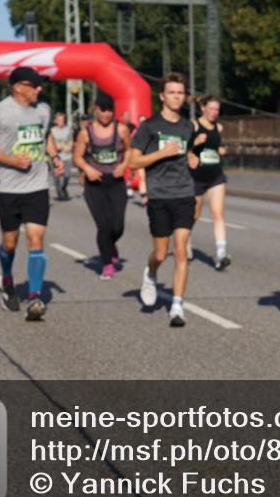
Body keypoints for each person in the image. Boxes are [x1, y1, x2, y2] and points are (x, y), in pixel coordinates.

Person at [0, 67, 65, 321]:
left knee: (36, 238)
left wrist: (55, 156)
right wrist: (11, 160)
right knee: (10, 242)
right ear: (18, 87)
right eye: (34, 85)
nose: (39, 89)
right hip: (8, 187)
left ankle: (35, 296)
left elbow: (46, 133)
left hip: (37, 185)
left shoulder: (43, 110)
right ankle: (7, 278)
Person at [128, 73, 199, 327]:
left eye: (180, 93)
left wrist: (193, 159)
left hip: (184, 193)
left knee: (181, 251)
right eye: (172, 92)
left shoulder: (187, 126)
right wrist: (160, 153)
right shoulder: (149, 127)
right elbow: (133, 161)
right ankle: (151, 273)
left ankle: (177, 306)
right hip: (159, 195)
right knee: (160, 253)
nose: (177, 97)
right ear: (162, 96)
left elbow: (190, 154)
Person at [73, 93, 131, 280]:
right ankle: (107, 263)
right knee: (104, 225)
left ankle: (109, 246)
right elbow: (77, 157)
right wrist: (87, 169)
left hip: (115, 183)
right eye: (103, 110)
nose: (106, 114)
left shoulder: (121, 130)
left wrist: (123, 165)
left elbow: (130, 151)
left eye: (110, 111)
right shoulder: (85, 133)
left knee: (118, 226)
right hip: (94, 184)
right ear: (96, 110)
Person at [190, 95, 231, 271]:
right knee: (195, 215)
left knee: (218, 214)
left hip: (216, 175)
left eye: (217, 110)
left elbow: (218, 146)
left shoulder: (218, 127)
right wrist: (193, 144)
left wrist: (222, 150)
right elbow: (182, 147)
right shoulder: (193, 125)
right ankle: (185, 237)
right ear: (203, 108)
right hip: (196, 177)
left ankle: (221, 254)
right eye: (211, 109)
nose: (214, 113)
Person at [49, 112, 74, 200]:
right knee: (56, 177)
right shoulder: (52, 130)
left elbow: (71, 141)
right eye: (59, 120)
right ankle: (59, 192)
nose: (61, 122)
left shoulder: (68, 130)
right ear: (55, 121)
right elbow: (50, 144)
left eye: (62, 120)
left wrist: (68, 147)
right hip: (55, 157)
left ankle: (64, 187)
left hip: (67, 156)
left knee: (67, 175)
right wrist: (56, 147)